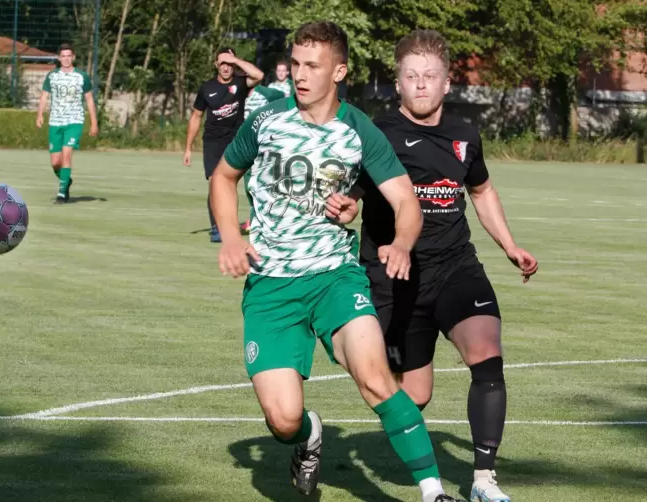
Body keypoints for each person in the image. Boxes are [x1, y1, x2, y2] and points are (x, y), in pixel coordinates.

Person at [210, 21, 465, 502]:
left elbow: (406, 202)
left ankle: (433, 492)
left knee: (375, 379)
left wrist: (403, 243)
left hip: (334, 278)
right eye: (297, 64)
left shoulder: (358, 130)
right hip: (271, 289)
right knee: (283, 419)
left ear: (339, 71)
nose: (299, 76)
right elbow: (223, 177)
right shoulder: (264, 121)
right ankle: (307, 436)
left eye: (313, 66)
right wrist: (229, 238)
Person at [325, 29, 539, 502]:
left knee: (486, 356)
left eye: (430, 76)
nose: (421, 85)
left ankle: (483, 481)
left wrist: (509, 244)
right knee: (414, 395)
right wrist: (348, 208)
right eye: (411, 76)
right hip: (394, 277)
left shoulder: (465, 136)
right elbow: (356, 192)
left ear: (447, 83)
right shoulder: (377, 133)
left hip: (455, 267)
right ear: (397, 84)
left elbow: (480, 191)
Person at [183, 48, 263, 242]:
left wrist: (235, 59)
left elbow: (258, 75)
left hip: (234, 141)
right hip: (212, 143)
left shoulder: (240, 82)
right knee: (214, 183)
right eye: (222, 63)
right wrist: (187, 148)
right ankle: (217, 227)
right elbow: (196, 117)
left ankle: (227, 225)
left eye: (229, 64)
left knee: (229, 184)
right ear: (216, 65)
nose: (226, 67)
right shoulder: (206, 88)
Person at [36, 43, 98, 204]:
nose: (66, 59)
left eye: (69, 56)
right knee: (55, 162)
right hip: (56, 122)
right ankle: (66, 180)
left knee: (66, 154)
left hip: (74, 121)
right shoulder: (52, 76)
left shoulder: (81, 76)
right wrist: (40, 115)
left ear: (73, 57)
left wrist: (94, 122)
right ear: (59, 58)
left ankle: (62, 193)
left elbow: (89, 100)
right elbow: (44, 96)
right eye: (63, 56)